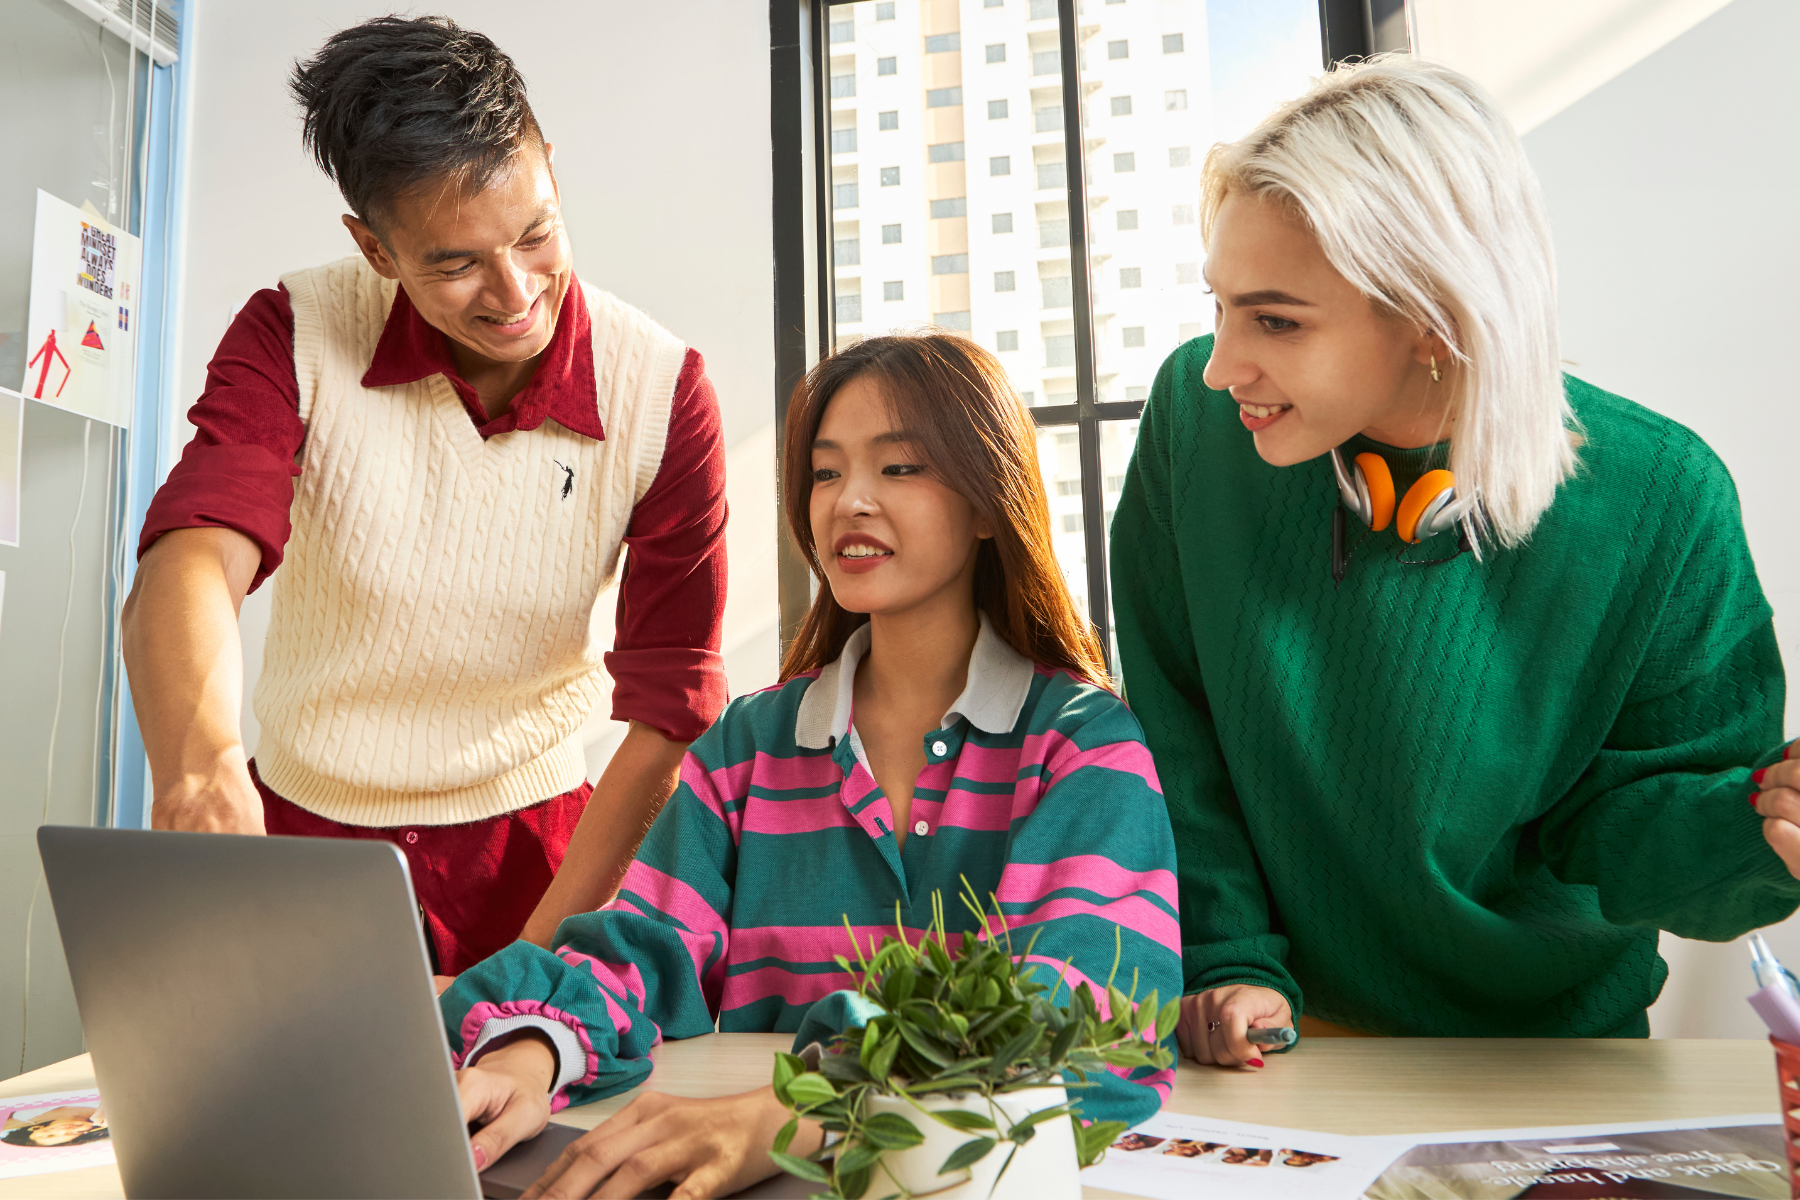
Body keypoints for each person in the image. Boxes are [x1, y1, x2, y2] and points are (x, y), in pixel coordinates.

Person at [1109, 55, 1800, 1067]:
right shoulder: (1194, 422)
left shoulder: (1664, 498)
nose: (1222, 364)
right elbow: (1175, 728)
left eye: (1275, 321)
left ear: (1434, 316)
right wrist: (1228, 957)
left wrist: (1761, 836)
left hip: (1556, 1064)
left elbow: (1640, 833)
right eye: (1220, 306)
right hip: (1279, 1046)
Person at [443, 334, 1180, 1197]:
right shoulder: (749, 746)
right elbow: (643, 946)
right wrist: (532, 1052)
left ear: (988, 503)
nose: (850, 502)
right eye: (826, 474)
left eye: (899, 468)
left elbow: (1083, 1020)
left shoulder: (1084, 743)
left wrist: (815, 1111)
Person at [120, 17, 728, 975]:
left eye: (535, 234)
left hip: (538, 864)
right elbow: (196, 550)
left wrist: (538, 957)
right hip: (305, 845)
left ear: (552, 170)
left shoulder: (662, 390)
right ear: (374, 247)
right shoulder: (294, 330)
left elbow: (668, 710)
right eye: (453, 263)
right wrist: (198, 772)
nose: (514, 291)